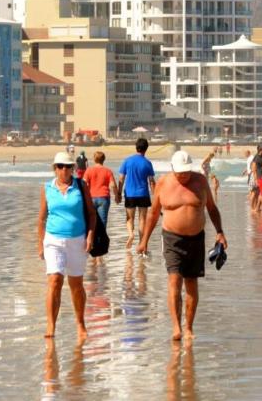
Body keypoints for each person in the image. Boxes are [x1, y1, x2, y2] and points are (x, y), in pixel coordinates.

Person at [137, 150, 227, 341]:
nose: (184, 176)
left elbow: (211, 208)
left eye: (186, 171)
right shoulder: (163, 183)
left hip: (196, 239)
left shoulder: (200, 182)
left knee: (191, 283)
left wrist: (220, 232)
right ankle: (176, 327)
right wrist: (144, 240)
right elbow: (154, 213)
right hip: (172, 238)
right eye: (180, 173)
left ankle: (189, 327)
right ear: (173, 168)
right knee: (174, 280)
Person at [38, 151, 97, 341]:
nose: (64, 170)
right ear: (55, 169)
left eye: (68, 167)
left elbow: (92, 214)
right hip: (53, 240)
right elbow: (41, 218)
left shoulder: (81, 186)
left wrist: (90, 236)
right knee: (55, 281)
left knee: (76, 285)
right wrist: (40, 244)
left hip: (77, 240)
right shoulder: (47, 188)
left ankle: (80, 323)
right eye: (60, 166)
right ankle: (51, 324)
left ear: (73, 168)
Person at [118, 138, 155, 249]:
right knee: (142, 219)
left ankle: (131, 235)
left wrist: (119, 193)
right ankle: (142, 243)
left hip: (130, 194)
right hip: (143, 194)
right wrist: (155, 196)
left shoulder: (127, 161)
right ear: (146, 149)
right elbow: (151, 181)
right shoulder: (147, 163)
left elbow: (121, 178)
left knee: (130, 218)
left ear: (136, 147)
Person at [83, 150, 118, 228]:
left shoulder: (89, 170)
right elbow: (112, 185)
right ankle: (101, 235)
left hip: (91, 198)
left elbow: (84, 183)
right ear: (103, 159)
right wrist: (116, 196)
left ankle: (92, 235)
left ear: (94, 159)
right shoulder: (108, 171)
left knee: (90, 222)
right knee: (102, 223)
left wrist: (84, 196)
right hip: (104, 198)